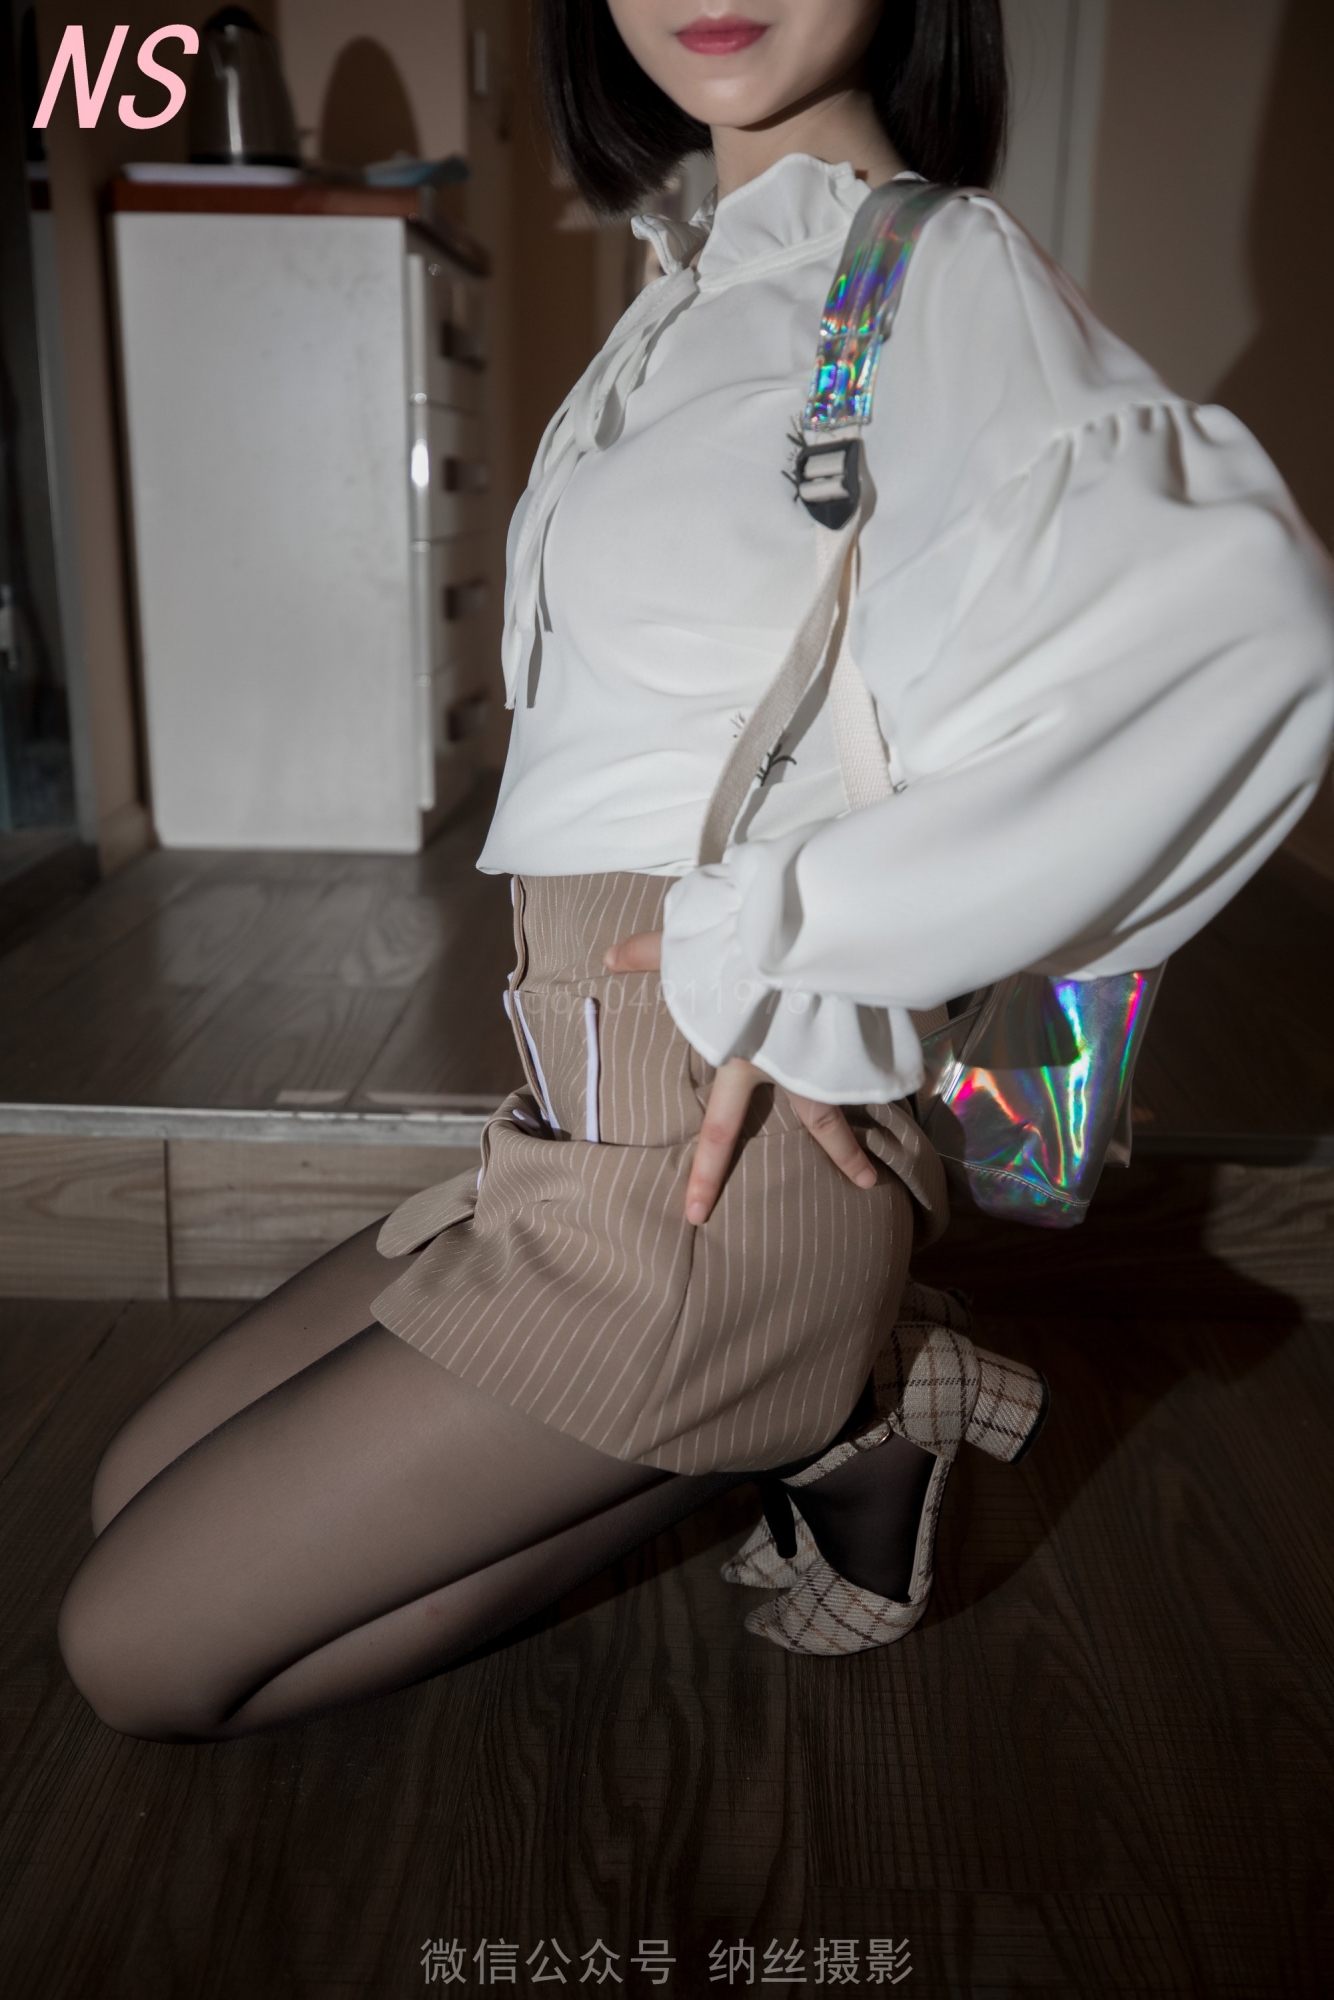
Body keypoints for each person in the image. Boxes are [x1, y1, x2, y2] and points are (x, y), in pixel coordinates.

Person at [59, 0, 1334, 1738]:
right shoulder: (694, 280)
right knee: (125, 1489)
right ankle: (840, 1398)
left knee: (134, 1654)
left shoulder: (926, 271)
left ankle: (809, 1393)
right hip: (572, 1130)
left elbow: (1251, 641)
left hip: (722, 1170)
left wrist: (815, 930)